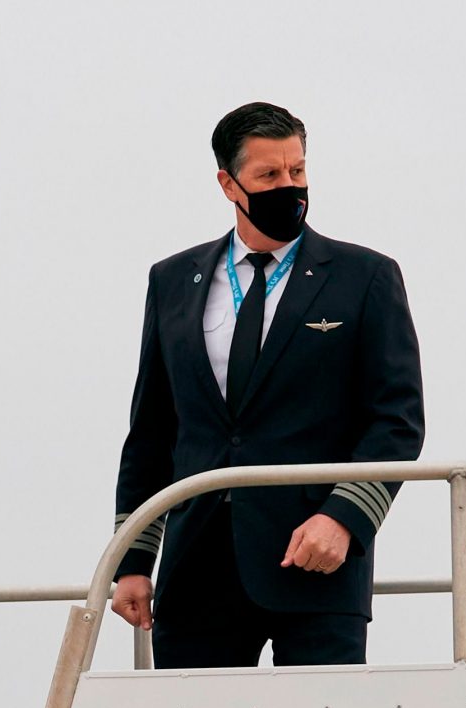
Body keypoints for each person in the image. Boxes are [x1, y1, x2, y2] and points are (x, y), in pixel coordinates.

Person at [109, 102, 424, 667]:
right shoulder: (174, 280)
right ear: (229, 184)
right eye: (270, 176)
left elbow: (396, 421)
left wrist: (343, 519)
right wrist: (132, 558)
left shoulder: (365, 277)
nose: (290, 187)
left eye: (297, 171)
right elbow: (153, 429)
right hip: (196, 564)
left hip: (316, 563)